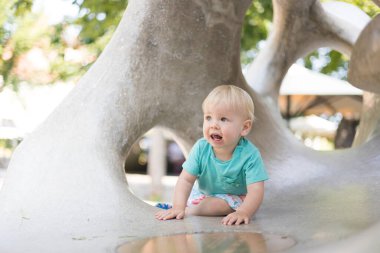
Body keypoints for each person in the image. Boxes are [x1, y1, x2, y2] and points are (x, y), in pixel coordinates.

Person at [155, 85, 268, 225]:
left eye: (223, 119)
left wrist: (244, 212)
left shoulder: (250, 155)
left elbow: (256, 190)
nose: (213, 125)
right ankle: (179, 208)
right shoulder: (201, 148)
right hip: (203, 194)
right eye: (208, 118)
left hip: (235, 198)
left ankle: (191, 210)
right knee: (190, 197)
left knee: (219, 206)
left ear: (244, 127)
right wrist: (178, 206)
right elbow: (185, 180)